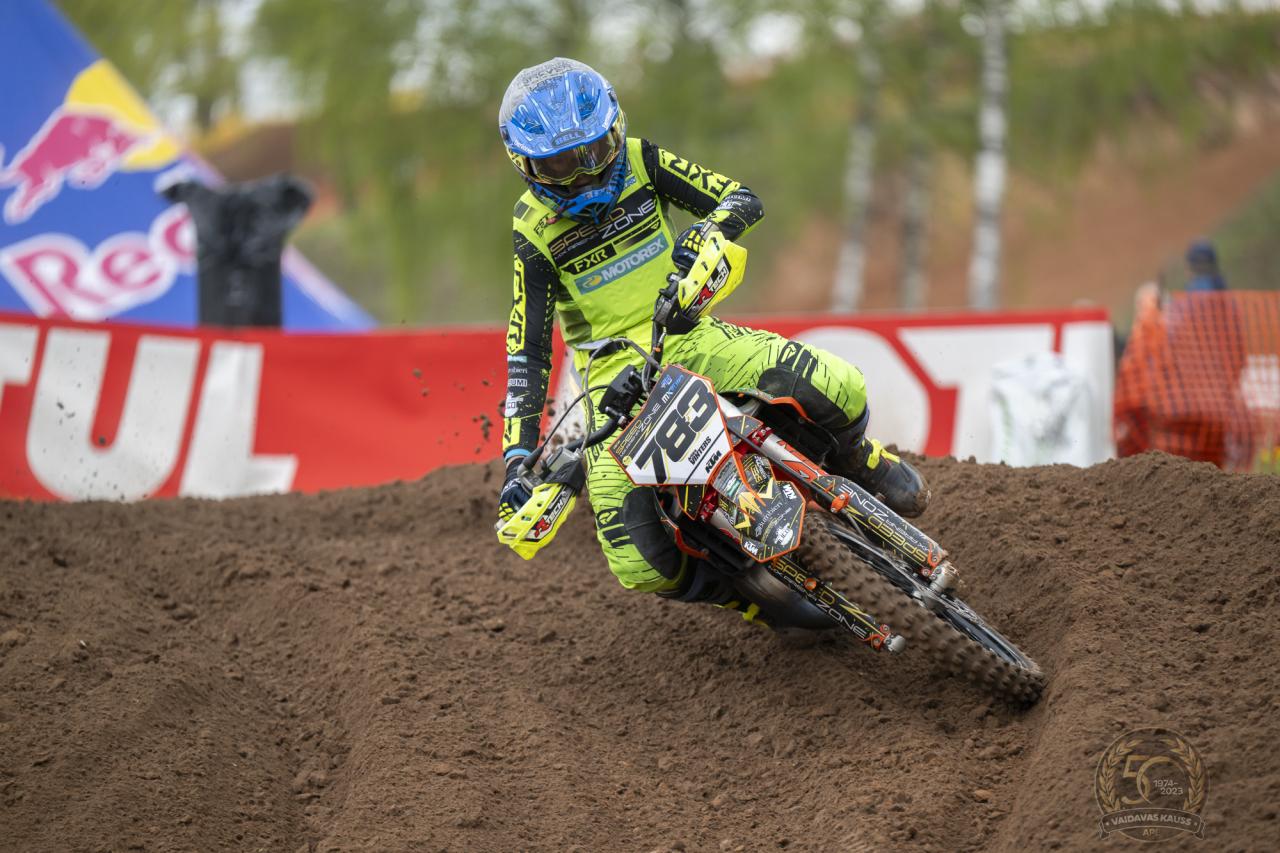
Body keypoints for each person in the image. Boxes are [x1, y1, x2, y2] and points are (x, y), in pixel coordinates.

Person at [495, 58, 928, 613]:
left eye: (595, 152)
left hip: (688, 330)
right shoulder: (532, 228)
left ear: (615, 129)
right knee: (635, 561)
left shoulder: (641, 160)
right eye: (561, 164)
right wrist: (517, 460)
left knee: (839, 384)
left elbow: (741, 199)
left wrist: (708, 232)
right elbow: (527, 351)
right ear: (527, 166)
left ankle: (860, 461)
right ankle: (746, 600)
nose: (586, 176)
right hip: (611, 381)